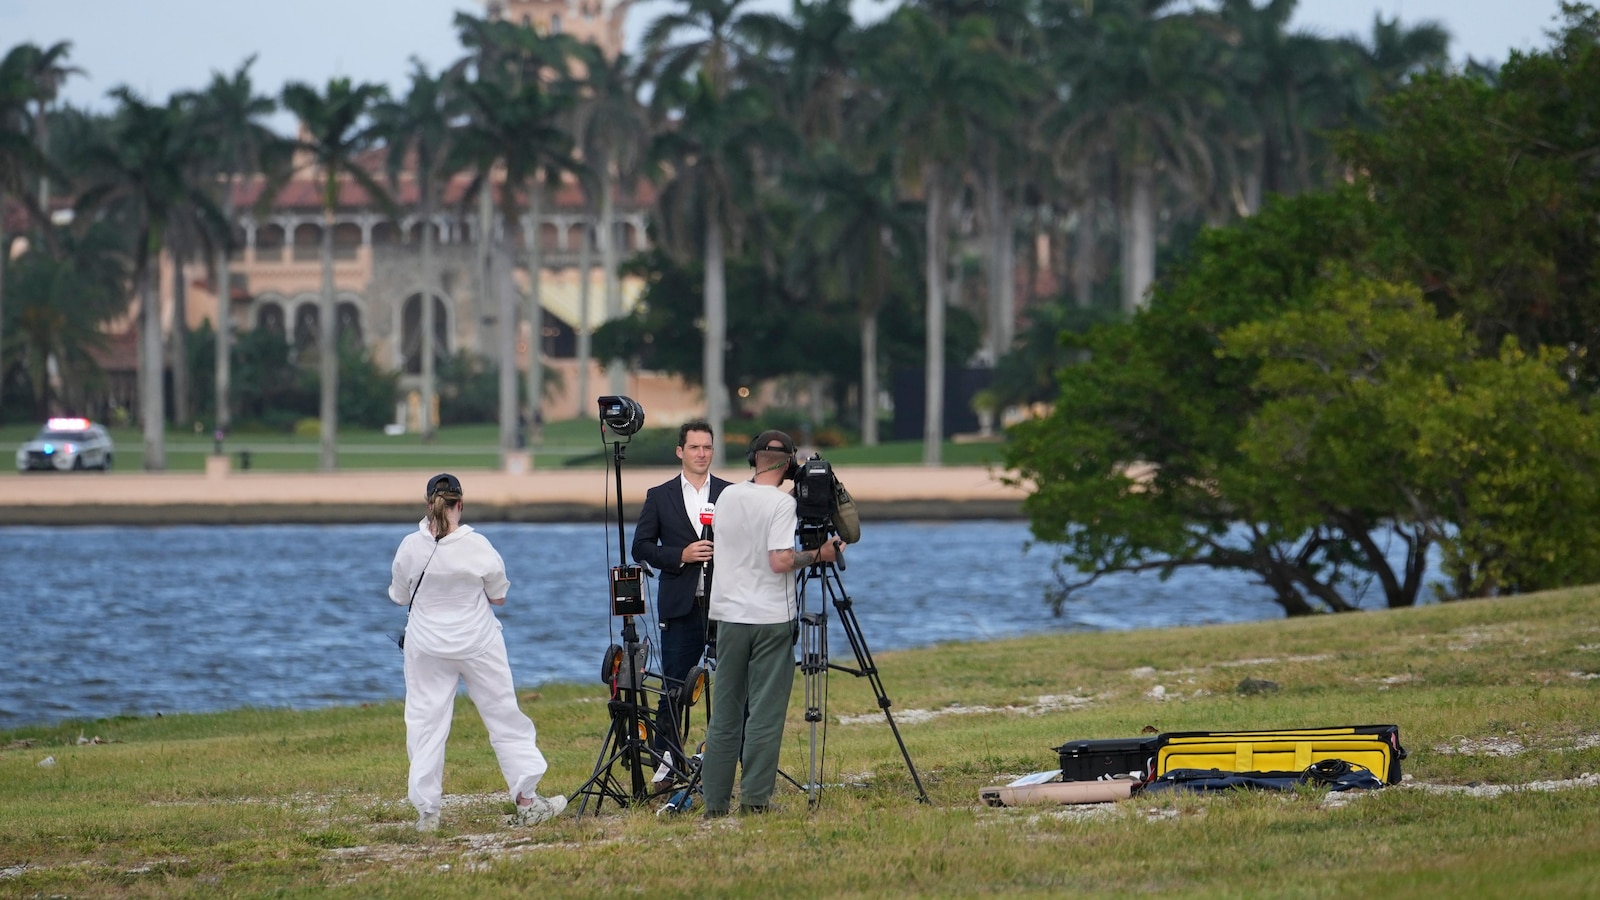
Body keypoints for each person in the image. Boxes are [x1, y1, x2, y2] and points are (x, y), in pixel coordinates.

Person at [389, 472, 565, 832]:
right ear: (461, 505)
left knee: (425, 723)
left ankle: (427, 813)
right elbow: (498, 596)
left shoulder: (409, 546)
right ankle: (527, 800)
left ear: (428, 505)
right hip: (478, 642)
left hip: (426, 646)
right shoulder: (478, 545)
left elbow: (400, 596)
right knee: (503, 717)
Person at [699, 430, 840, 817]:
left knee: (726, 713)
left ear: (753, 458)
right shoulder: (781, 506)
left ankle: (714, 804)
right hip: (770, 618)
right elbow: (780, 560)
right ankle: (755, 801)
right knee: (763, 713)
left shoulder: (726, 495)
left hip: (727, 616)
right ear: (789, 462)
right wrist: (819, 554)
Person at [631, 420, 731, 771]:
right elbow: (640, 548)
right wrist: (679, 556)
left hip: (726, 605)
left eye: (707, 447)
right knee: (674, 688)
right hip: (679, 607)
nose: (701, 453)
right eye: (694, 447)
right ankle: (666, 763)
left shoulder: (731, 493)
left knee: (734, 686)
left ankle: (733, 759)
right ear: (680, 451)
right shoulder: (660, 496)